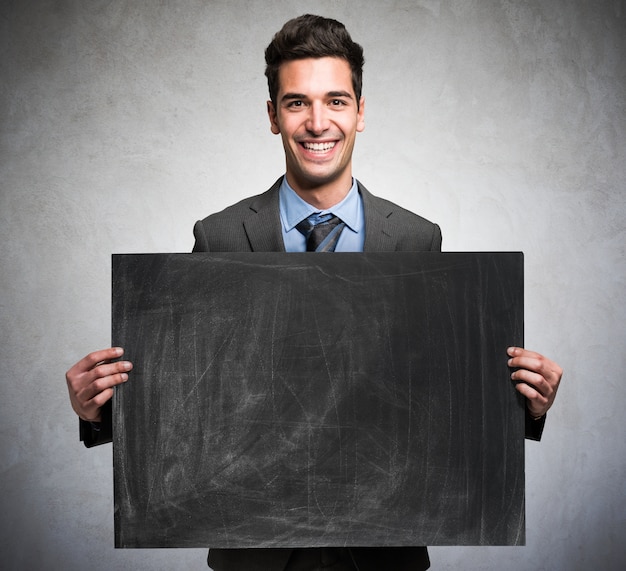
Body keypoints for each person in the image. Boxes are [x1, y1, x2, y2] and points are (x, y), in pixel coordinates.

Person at [66, 14, 563, 571]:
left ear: (361, 112)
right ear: (274, 117)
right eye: (297, 103)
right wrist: (98, 412)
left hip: (383, 553)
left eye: (336, 100)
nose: (317, 122)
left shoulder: (416, 240)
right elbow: (190, 394)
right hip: (255, 554)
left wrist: (524, 407)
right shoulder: (221, 235)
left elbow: (438, 399)